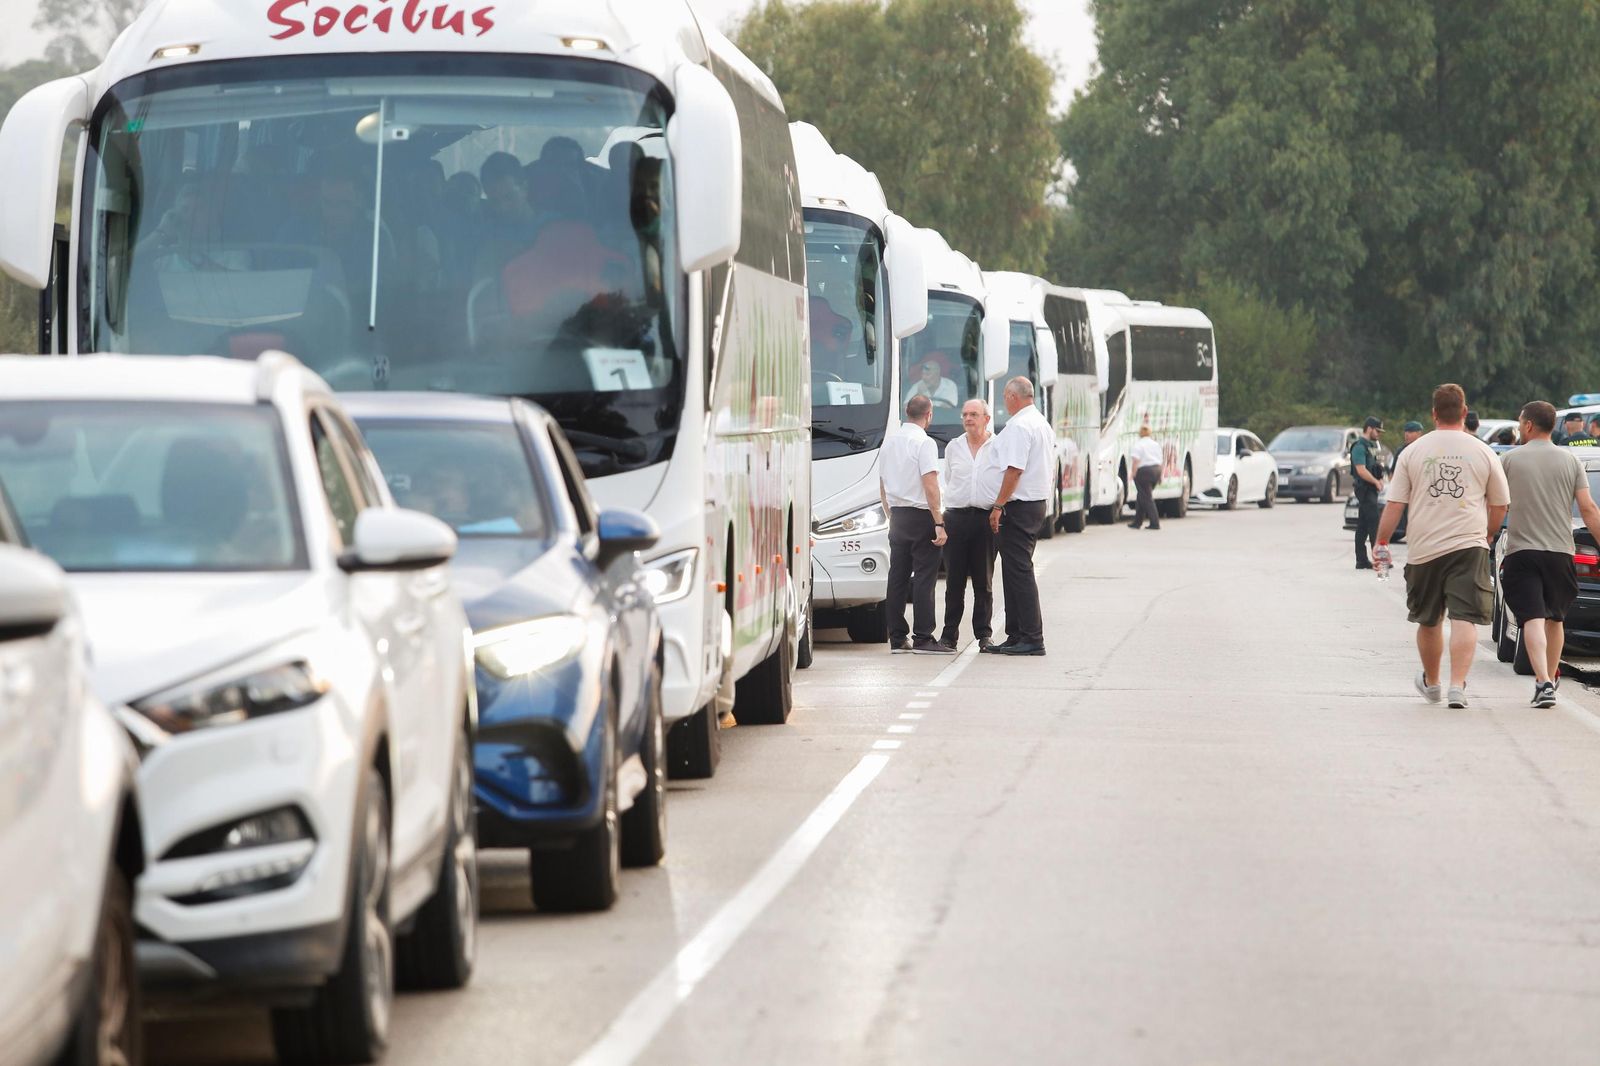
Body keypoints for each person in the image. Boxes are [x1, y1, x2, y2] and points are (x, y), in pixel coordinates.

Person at [1375, 383, 1510, 709]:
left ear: (1433, 414)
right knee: (1464, 618)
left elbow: (1394, 505)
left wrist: (1381, 542)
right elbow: (1500, 504)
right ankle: (1457, 687)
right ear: (1464, 413)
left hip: (1424, 549)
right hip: (1469, 546)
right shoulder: (1483, 451)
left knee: (1429, 620)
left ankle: (1432, 683)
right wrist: (1489, 534)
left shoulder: (1413, 452)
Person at [1497, 401, 1600, 706]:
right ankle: (1550, 680)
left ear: (1528, 425)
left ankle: (1543, 680)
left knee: (1531, 618)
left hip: (1522, 551)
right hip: (1560, 552)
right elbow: (1588, 507)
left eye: (1519, 422)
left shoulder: (1510, 460)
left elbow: (1496, 504)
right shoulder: (1570, 461)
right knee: (1555, 620)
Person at [979, 377, 1055, 656]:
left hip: (1020, 506)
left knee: (1019, 570)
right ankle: (1017, 633)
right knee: (1012, 570)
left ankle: (1032, 637)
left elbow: (1014, 470)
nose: (1003, 402)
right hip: (1033, 503)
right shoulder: (1039, 423)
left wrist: (998, 505)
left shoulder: (1021, 426)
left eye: (1004, 396)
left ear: (1012, 396)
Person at [878, 395, 950, 654]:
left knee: (897, 576)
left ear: (907, 413)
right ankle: (922, 636)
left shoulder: (889, 443)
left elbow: (883, 485)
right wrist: (938, 521)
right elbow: (930, 484)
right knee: (924, 577)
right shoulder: (925, 443)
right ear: (929, 415)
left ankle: (897, 638)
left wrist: (891, 514)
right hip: (921, 516)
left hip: (898, 515)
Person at [940, 399, 996, 651]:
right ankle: (949, 635)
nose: (968, 419)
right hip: (956, 517)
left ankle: (984, 634)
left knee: (983, 581)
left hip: (985, 519)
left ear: (986, 418)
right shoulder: (954, 447)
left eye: (974, 414)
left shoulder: (997, 446)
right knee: (954, 581)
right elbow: (948, 479)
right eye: (964, 414)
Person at [1350, 416, 1385, 569]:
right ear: (1369, 428)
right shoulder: (1359, 447)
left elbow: (1375, 467)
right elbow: (1360, 470)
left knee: (1363, 526)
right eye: (1377, 431)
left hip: (1370, 489)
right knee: (1374, 524)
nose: (1379, 434)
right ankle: (1380, 560)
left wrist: (1380, 478)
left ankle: (1361, 560)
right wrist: (1375, 481)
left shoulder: (1371, 446)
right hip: (1364, 489)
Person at [1390, 419, 1424, 543]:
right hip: (1405, 492)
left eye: (1410, 432)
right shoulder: (1401, 451)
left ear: (1419, 433)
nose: (1407, 434)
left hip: (1419, 491)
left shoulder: (1425, 449)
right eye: (1406, 432)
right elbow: (1392, 473)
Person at [1127, 424, 1163, 530]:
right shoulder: (1155, 444)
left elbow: (1136, 461)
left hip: (1144, 472)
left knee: (1146, 497)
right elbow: (1160, 461)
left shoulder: (1138, 445)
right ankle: (1137, 522)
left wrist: (1132, 474)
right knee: (1141, 496)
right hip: (1156, 470)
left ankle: (1155, 522)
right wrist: (1160, 476)